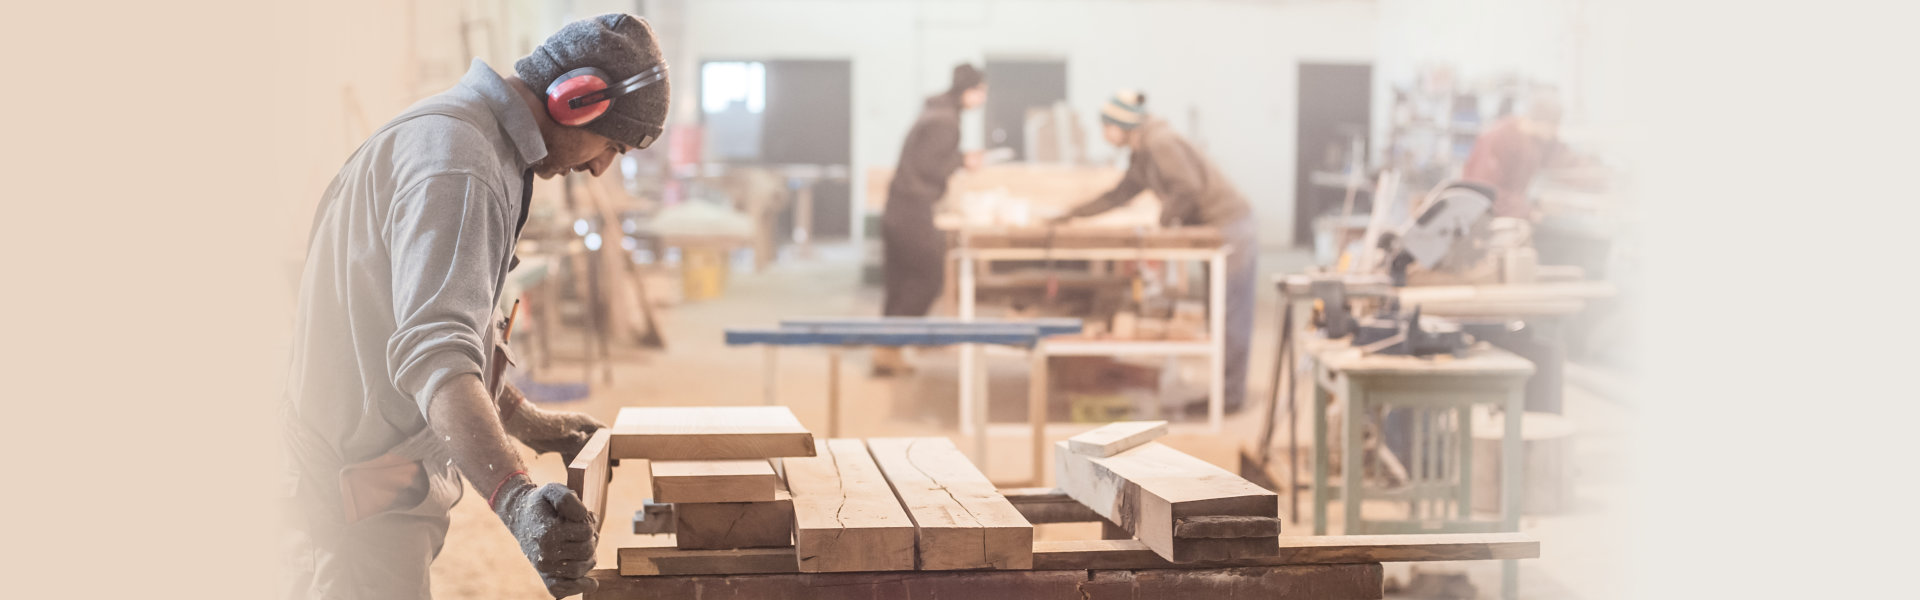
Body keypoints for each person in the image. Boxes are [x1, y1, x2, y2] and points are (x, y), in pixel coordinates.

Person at [283, 14, 670, 599]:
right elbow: (437, 355)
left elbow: (434, 324)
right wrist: (517, 499)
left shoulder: (472, 140)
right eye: (610, 144)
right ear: (574, 101)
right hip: (352, 499)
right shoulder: (464, 166)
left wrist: (532, 423)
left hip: (372, 481)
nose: (599, 167)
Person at [1051, 90, 1258, 412]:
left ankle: (1229, 399)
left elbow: (1187, 189)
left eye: (1107, 125)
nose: (1104, 133)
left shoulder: (1161, 142)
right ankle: (1224, 394)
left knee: (1230, 313)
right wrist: (1074, 213)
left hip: (1229, 226)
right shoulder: (1142, 152)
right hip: (1214, 229)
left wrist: (1163, 224)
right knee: (1219, 311)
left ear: (1122, 123)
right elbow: (1120, 193)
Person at [875, 64, 988, 376]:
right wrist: (964, 161)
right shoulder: (946, 121)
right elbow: (929, 167)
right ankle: (890, 347)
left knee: (899, 281)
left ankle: (886, 353)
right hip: (912, 207)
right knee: (928, 277)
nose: (982, 99)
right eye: (981, 92)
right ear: (969, 90)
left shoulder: (935, 112)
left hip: (899, 204)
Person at [1461, 92, 1570, 221]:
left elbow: (1562, 157)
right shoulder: (1499, 138)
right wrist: (1527, 211)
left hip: (1510, 212)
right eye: (1553, 127)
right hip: (1483, 216)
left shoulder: (1539, 139)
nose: (1555, 132)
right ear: (1540, 122)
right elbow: (1484, 191)